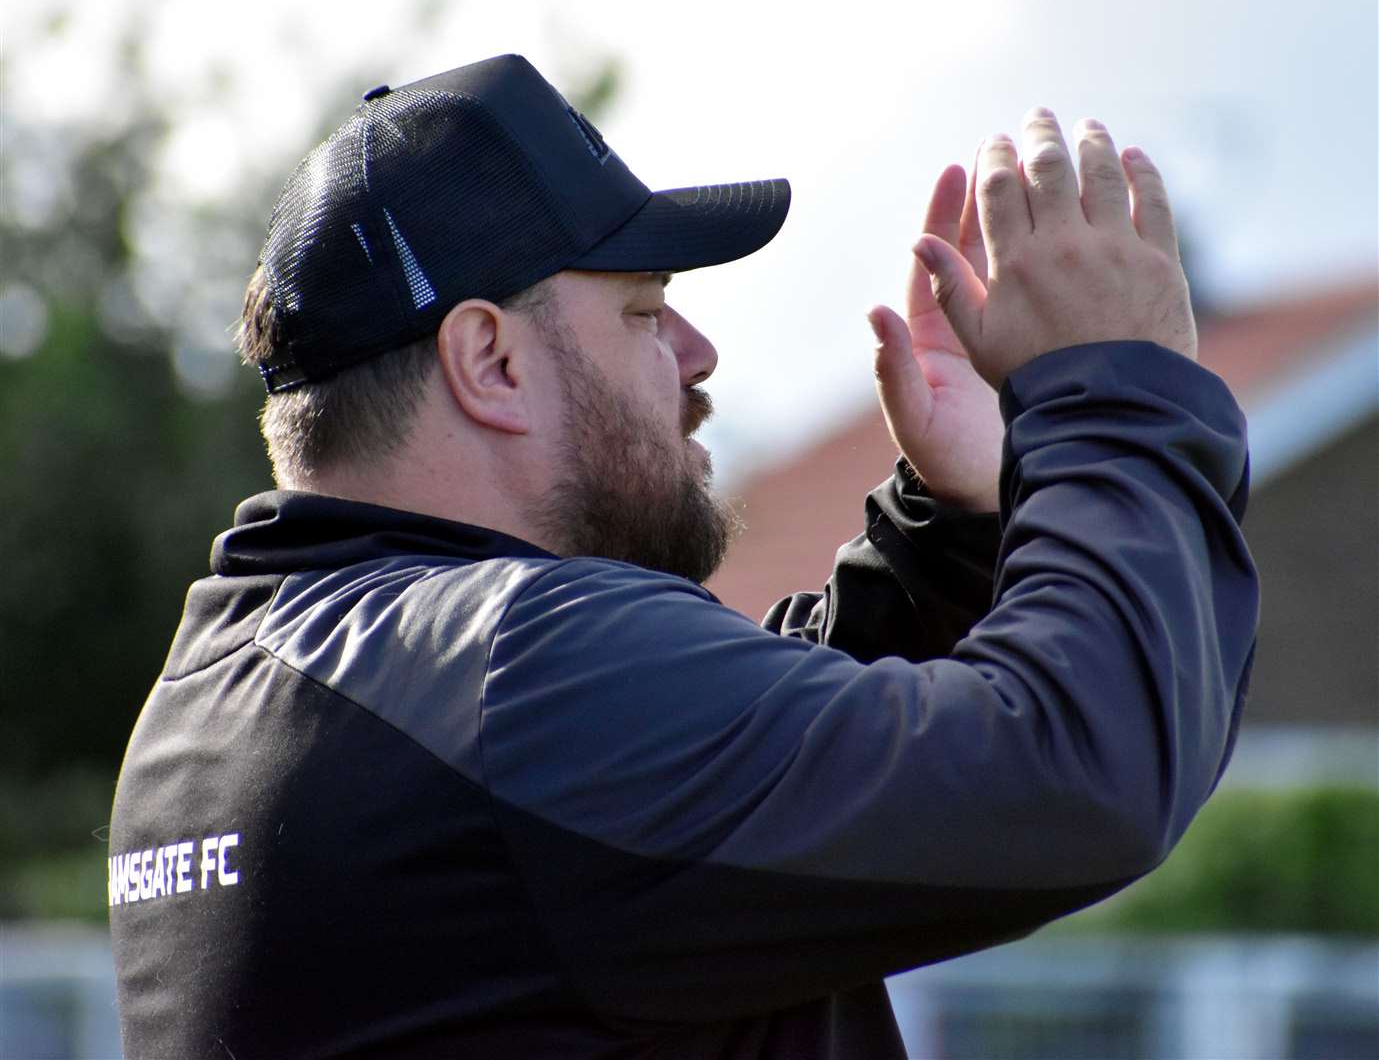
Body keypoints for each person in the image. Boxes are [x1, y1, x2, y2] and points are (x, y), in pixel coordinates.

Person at [108, 54, 1258, 1058]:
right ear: (488, 361)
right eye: (646, 311)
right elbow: (1077, 773)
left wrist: (947, 528)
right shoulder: (514, 674)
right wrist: (1114, 390)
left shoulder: (213, 707)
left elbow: (679, 792)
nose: (699, 356)